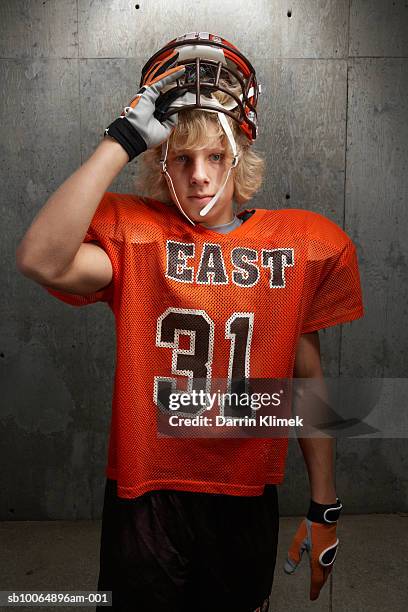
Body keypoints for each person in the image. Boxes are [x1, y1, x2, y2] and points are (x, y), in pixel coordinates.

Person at [16, 32, 364, 612]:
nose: (200, 176)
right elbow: (39, 259)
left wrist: (324, 503)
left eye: (216, 157)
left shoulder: (299, 243)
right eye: (182, 158)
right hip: (146, 489)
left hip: (242, 488)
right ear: (162, 166)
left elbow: (307, 383)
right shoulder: (139, 236)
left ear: (240, 160)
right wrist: (119, 142)